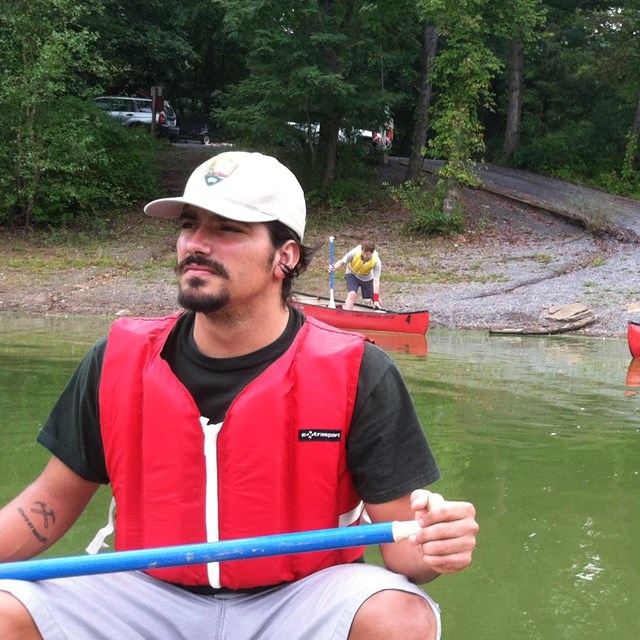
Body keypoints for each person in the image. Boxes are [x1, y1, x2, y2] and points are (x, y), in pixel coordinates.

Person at [0, 151, 478, 640]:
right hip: (145, 595)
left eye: (227, 229)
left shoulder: (360, 371)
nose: (196, 244)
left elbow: (404, 551)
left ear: (285, 257)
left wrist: (437, 543)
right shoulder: (117, 359)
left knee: (400, 616)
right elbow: (49, 502)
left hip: (303, 596)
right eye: (190, 225)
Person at [329, 242, 383, 310]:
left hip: (367, 278)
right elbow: (342, 262)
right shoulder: (354, 252)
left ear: (372, 253)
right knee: (352, 294)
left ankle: (381, 314)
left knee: (378, 300)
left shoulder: (377, 261)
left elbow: (376, 280)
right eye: (363, 253)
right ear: (361, 251)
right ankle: (347, 314)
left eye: (367, 254)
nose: (365, 256)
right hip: (352, 274)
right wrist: (334, 267)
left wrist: (375, 300)